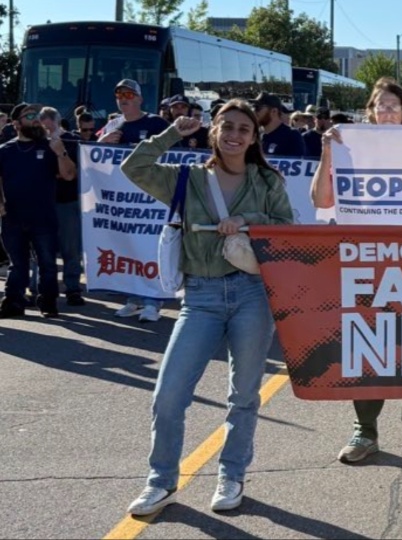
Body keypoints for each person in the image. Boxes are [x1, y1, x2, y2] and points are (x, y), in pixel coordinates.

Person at [121, 99, 294, 515]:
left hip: (252, 294)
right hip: (200, 297)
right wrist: (170, 133)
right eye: (226, 126)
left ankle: (232, 474)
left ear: (254, 138)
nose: (234, 135)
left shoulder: (267, 180)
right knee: (169, 394)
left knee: (244, 395)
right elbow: (134, 168)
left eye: (243, 129)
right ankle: (160, 482)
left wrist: (249, 217)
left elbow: (287, 230)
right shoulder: (187, 180)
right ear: (213, 131)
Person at [310, 77, 402, 467]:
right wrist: (328, 151)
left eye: (393, 106)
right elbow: (321, 198)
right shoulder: (350, 148)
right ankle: (365, 431)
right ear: (369, 111)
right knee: (368, 346)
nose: (386, 112)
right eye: (380, 105)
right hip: (366, 263)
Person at [98, 78, 171, 322]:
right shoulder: (113, 125)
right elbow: (95, 159)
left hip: (151, 199)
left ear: (139, 98)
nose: (124, 100)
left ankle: (153, 301)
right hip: (124, 202)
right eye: (120, 96)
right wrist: (102, 142)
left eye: (129, 95)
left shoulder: (155, 123)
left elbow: (174, 152)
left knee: (151, 248)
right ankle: (133, 298)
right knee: (128, 248)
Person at [0, 103, 77, 319]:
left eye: (37, 115)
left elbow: (70, 175)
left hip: (43, 217)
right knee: (18, 265)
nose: (36, 119)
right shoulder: (5, 151)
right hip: (13, 217)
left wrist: (60, 152)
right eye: (30, 115)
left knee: (47, 263)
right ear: (16, 124)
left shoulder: (49, 146)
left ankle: (48, 301)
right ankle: (13, 301)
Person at [39, 107, 86, 307]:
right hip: (44, 203)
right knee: (44, 250)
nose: (48, 132)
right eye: (45, 129)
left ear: (57, 123)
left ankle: (72, 288)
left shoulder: (72, 141)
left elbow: (72, 172)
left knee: (70, 249)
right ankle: (44, 289)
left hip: (67, 202)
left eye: (51, 128)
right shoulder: (38, 142)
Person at [252, 92, 306, 157]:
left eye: (257, 108)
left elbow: (298, 163)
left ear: (274, 111)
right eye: (253, 107)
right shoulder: (255, 136)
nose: (253, 111)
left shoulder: (291, 136)